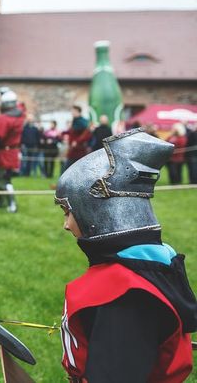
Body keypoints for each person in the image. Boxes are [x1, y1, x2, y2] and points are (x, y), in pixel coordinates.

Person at [55, 129, 197, 382]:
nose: (66, 224)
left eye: (68, 211)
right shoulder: (153, 265)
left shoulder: (125, 294)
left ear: (95, 210)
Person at [0, 90, 24, 213]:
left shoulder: (4, 119)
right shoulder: (20, 115)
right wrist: (7, 91)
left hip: (3, 153)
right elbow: (21, 105)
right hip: (12, 152)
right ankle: (1, 202)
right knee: (2, 177)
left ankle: (11, 204)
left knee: (0, 178)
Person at [64, 105, 92, 171]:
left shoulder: (83, 121)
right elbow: (73, 132)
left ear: (77, 111)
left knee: (78, 168)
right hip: (73, 149)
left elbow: (87, 134)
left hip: (79, 149)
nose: (72, 112)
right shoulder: (75, 121)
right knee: (70, 167)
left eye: (73, 111)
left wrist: (77, 141)